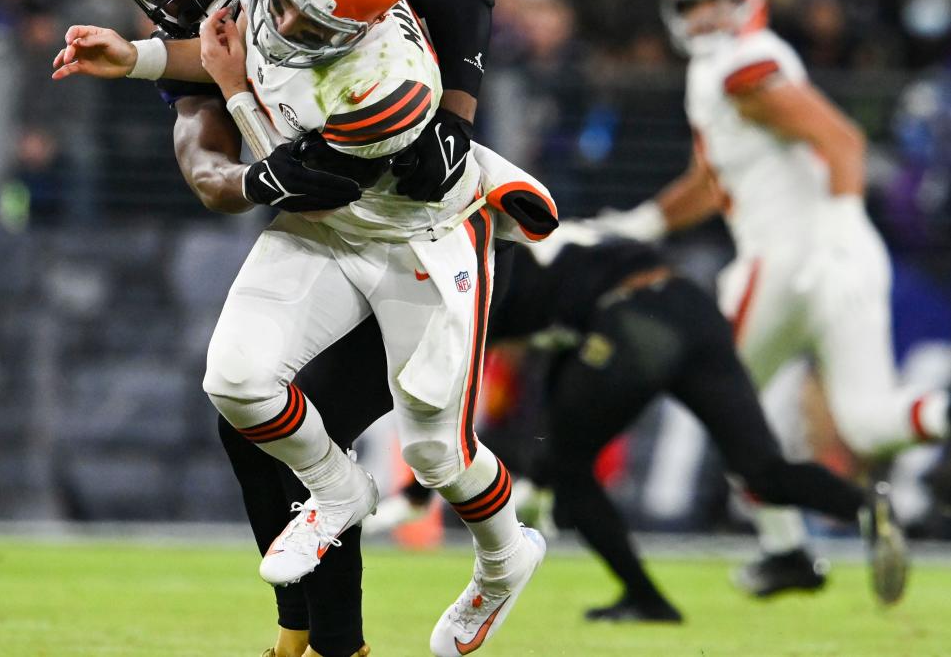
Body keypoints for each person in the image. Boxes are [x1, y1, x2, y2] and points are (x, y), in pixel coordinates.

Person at [53, 0, 558, 657]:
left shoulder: (385, 84)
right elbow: (237, 102)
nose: (281, 22)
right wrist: (140, 57)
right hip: (330, 231)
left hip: (415, 235)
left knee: (436, 453)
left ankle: (503, 560)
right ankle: (335, 503)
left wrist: (450, 111)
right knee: (236, 383)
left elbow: (304, 174)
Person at [593, 0, 950, 597]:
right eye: (694, 4)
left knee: (717, 393)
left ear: (748, 0)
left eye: (718, 0)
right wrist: (641, 222)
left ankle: (786, 549)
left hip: (794, 256)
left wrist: (835, 220)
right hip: (841, 256)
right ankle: (786, 551)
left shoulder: (741, 64)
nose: (705, 16)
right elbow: (712, 179)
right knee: (870, 421)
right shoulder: (730, 69)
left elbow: (842, 140)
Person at [370, 223, 909, 621]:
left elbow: (454, 391)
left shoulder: (483, 282)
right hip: (691, 306)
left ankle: (646, 599)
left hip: (634, 318)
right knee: (760, 468)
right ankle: (867, 509)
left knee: (568, 467)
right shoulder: (536, 240)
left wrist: (419, 492)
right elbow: (556, 366)